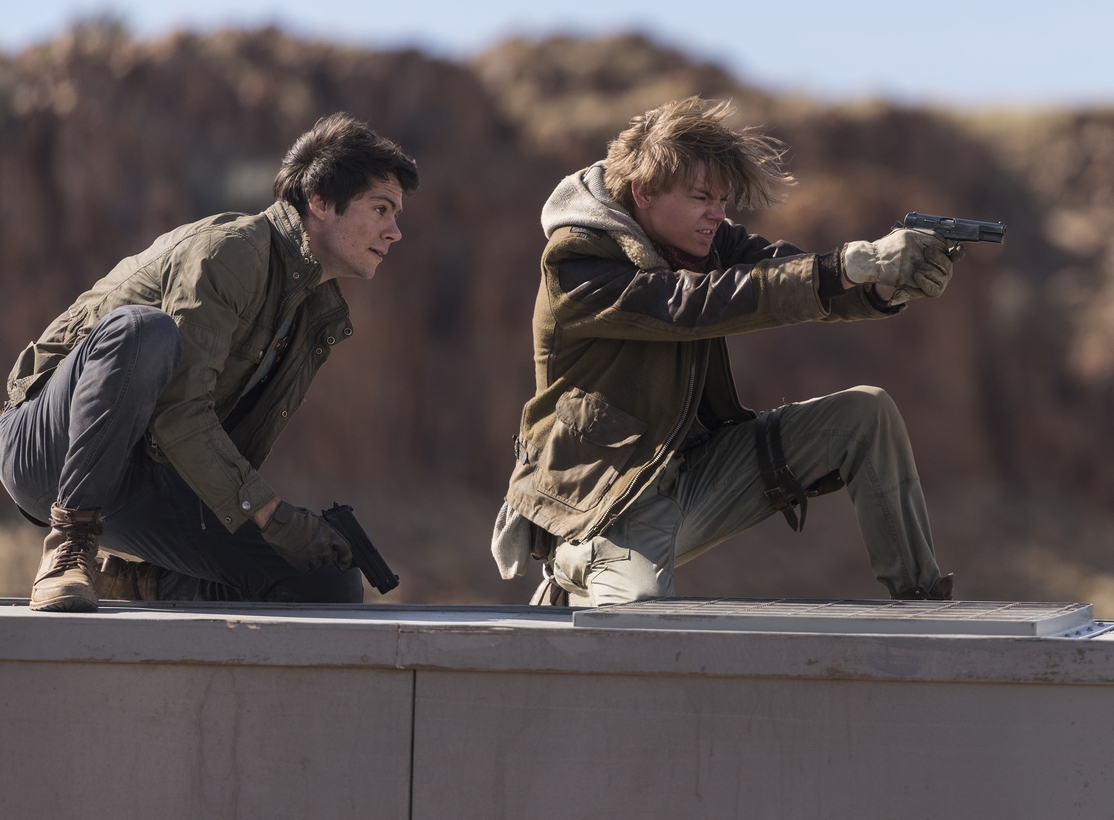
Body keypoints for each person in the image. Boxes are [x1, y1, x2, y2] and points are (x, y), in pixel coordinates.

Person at [491, 97, 958, 606]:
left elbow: (798, 274)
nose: (718, 213)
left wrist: (886, 284)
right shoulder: (575, 260)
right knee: (642, 626)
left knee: (865, 412)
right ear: (644, 192)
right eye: (701, 197)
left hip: (694, 472)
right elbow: (688, 306)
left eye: (722, 199)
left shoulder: (704, 241)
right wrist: (853, 264)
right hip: (608, 502)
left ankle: (922, 600)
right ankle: (570, 568)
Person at [0, 113, 417, 610]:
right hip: (49, 449)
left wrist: (284, 533)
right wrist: (271, 512)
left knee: (324, 583)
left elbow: (220, 443)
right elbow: (180, 410)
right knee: (142, 330)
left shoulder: (313, 311)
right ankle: (70, 549)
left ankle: (140, 582)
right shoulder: (231, 251)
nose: (393, 232)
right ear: (321, 202)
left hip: (148, 470)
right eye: (380, 208)